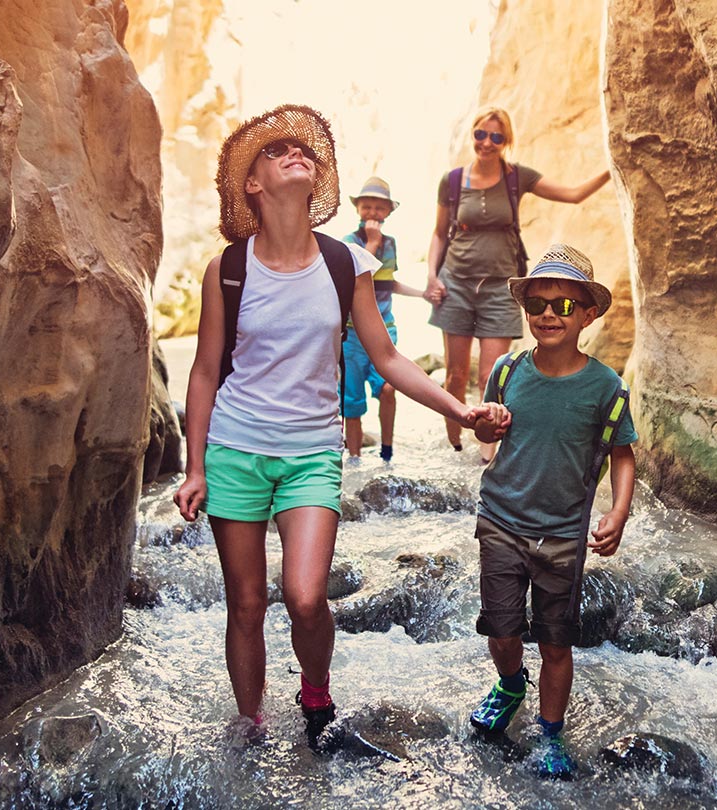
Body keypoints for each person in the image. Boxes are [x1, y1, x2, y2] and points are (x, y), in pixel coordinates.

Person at [173, 105, 503, 749]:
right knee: (244, 604)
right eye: (278, 152)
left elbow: (386, 357)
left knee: (302, 595)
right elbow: (205, 371)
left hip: (310, 454)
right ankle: (251, 725)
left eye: (304, 150)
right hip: (235, 448)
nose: (296, 153)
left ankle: (315, 690)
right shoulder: (228, 268)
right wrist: (194, 467)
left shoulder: (345, 262)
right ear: (254, 184)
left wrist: (457, 410)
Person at [463, 245, 637, 778]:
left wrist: (619, 512)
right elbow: (486, 435)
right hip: (500, 520)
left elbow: (623, 454)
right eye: (537, 303)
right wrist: (484, 428)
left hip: (562, 535)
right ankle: (511, 683)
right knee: (502, 629)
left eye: (563, 306)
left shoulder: (606, 387)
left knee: (557, 642)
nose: (547, 314)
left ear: (587, 315)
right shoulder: (508, 368)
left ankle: (552, 734)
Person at [424, 106, 612, 461]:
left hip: (499, 286)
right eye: (481, 134)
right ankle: (454, 448)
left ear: (506, 141)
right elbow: (438, 234)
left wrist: (614, 164)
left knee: (491, 377)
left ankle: (486, 458)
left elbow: (573, 194)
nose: (487, 143)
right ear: (473, 135)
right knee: (455, 375)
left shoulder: (516, 177)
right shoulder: (451, 181)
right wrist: (432, 276)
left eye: (496, 137)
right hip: (457, 284)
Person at [340, 176, 421, 464]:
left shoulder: (391, 244)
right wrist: (371, 242)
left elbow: (388, 283)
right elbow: (351, 277)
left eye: (378, 208)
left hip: (385, 330)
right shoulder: (349, 243)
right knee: (351, 401)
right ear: (358, 209)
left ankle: (387, 453)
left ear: (387, 212)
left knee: (388, 388)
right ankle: (354, 458)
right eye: (367, 207)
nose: (372, 213)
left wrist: (423, 294)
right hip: (351, 336)